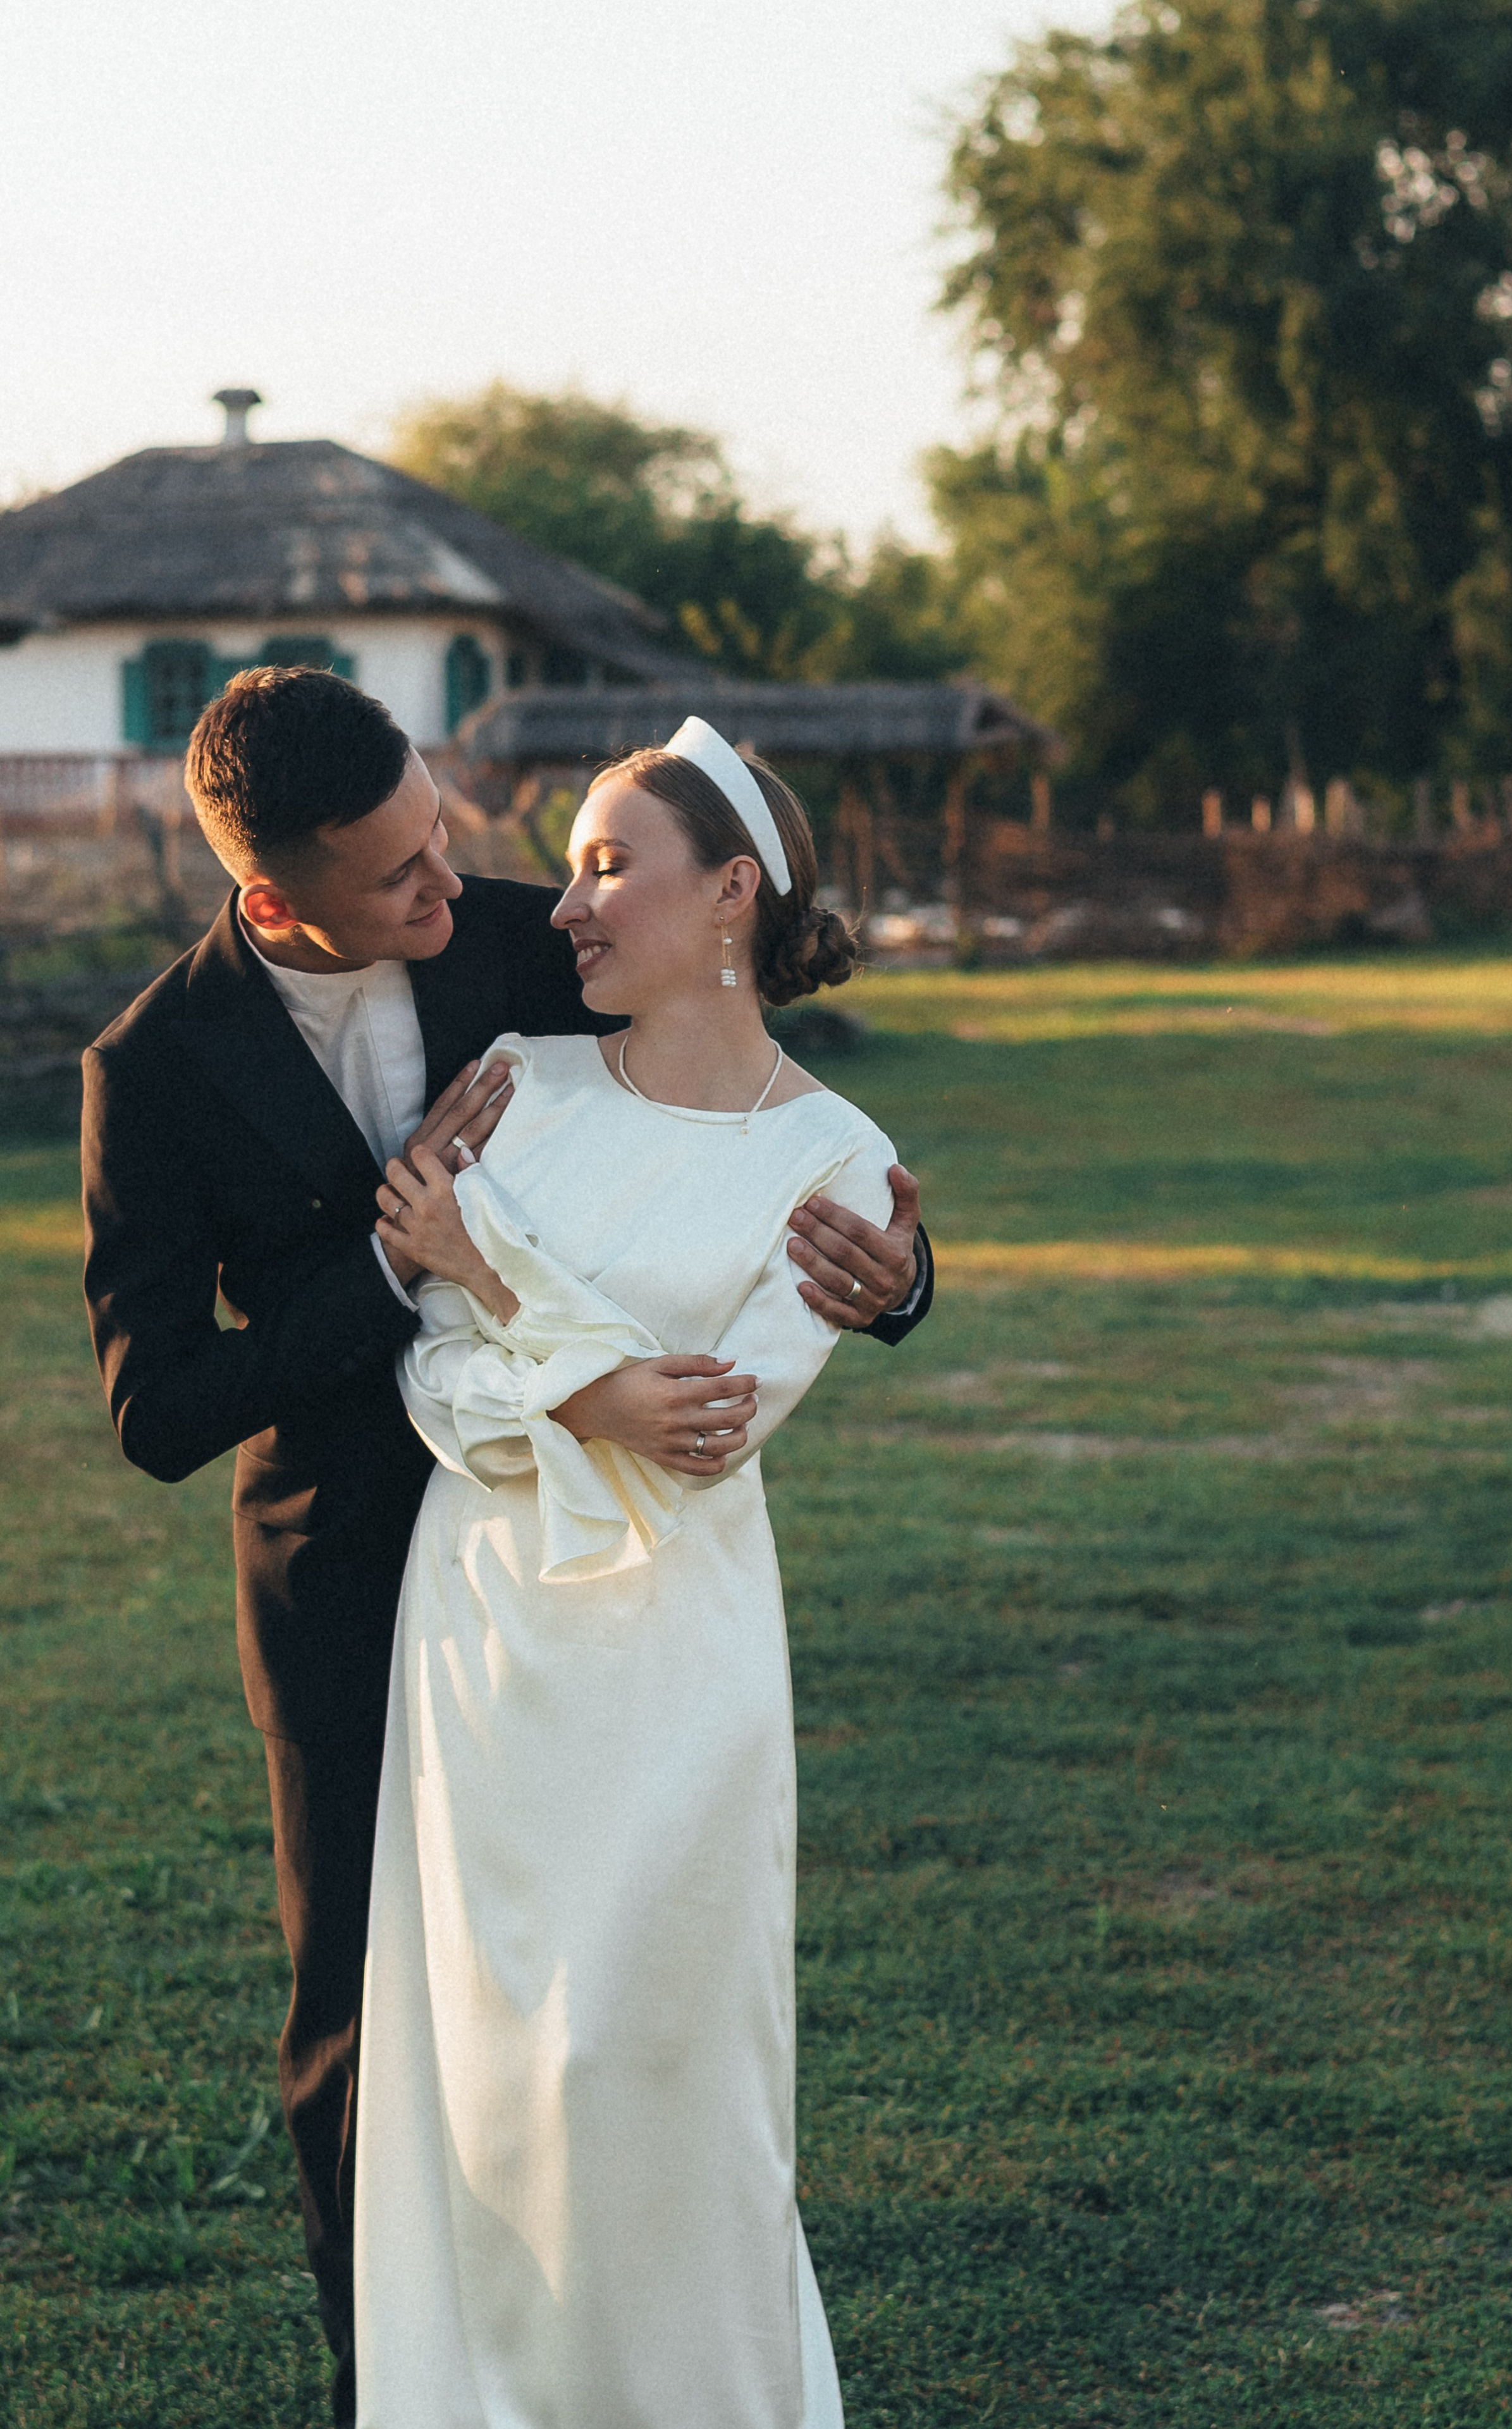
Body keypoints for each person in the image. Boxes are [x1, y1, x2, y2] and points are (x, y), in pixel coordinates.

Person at [79, 670, 933, 2427]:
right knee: (361, 2020)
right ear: (273, 898)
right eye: (400, 875)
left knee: (626, 2019)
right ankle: (395, 2380)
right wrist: (399, 1277)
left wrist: (905, 1279)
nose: (461, 893)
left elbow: (729, 1092)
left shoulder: (532, 952)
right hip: (350, 1576)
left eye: (442, 833)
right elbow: (161, 1407)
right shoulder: (152, 1069)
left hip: (615, 1584)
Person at [352, 719, 896, 2428]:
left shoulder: (842, 1168)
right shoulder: (519, 1078)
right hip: (481, 1636)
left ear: (730, 888)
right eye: (573, 861)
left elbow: (709, 1430)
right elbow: (430, 1372)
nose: (568, 899)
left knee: (649, 2060)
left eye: (608, 862)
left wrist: (496, 1284)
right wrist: (568, 1365)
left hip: (678, 1658)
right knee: (491, 2068)